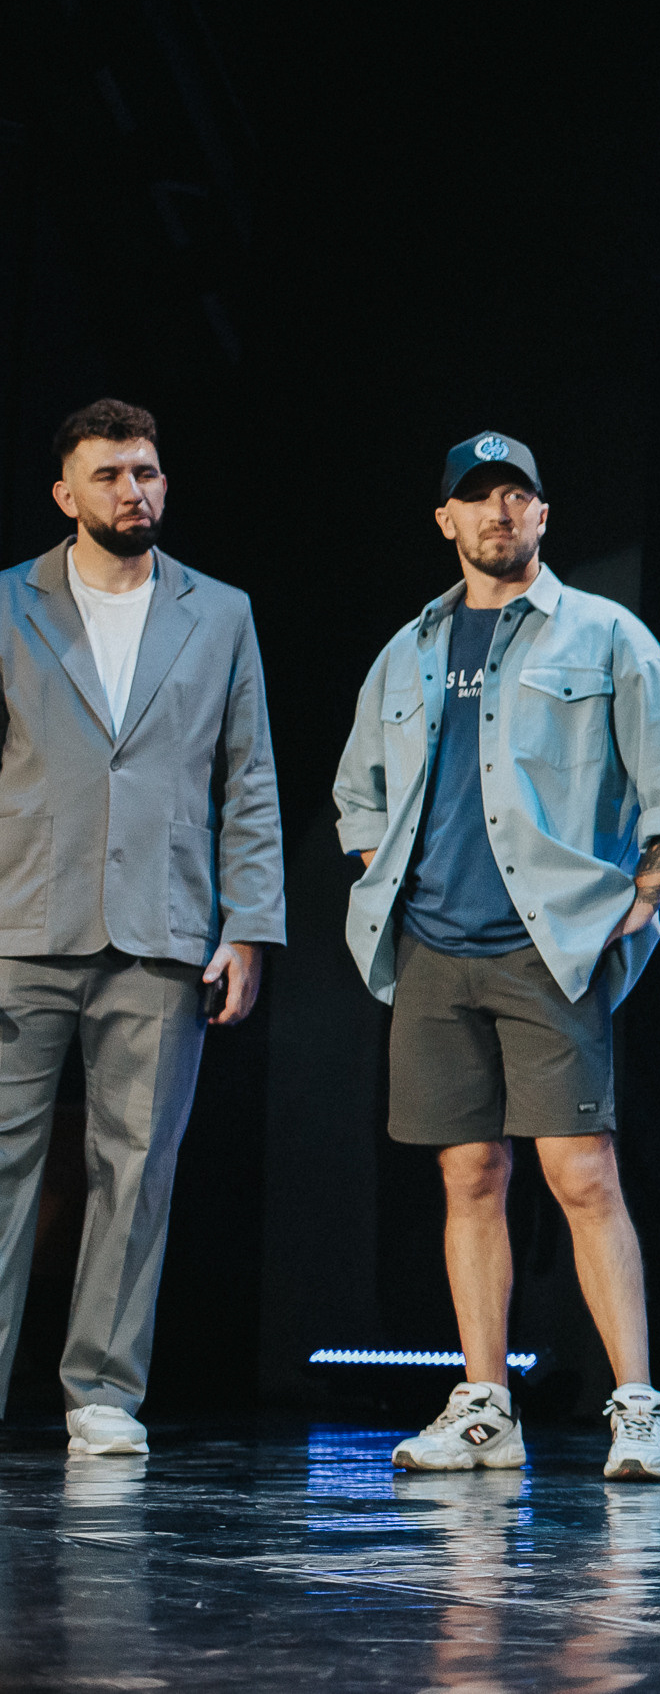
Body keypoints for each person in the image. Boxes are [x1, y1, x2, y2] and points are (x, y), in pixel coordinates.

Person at [333, 431, 660, 1482]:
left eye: (517, 494)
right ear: (446, 520)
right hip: (432, 950)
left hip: (545, 949)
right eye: (478, 497)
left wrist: (646, 891)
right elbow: (359, 791)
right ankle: (485, 1408)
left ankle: (637, 1405)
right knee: (468, 1173)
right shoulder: (408, 649)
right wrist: (389, 870)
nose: (498, 511)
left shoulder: (603, 634)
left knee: (580, 1170)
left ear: (543, 514)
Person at [0, 398, 284, 1457]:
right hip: (21, 918)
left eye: (148, 471)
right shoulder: (8, 602)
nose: (134, 490)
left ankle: (104, 1392)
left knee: (137, 1167)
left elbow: (248, 778)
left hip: (164, 926)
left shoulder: (220, 612)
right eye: (111, 474)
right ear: (65, 493)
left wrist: (248, 923)